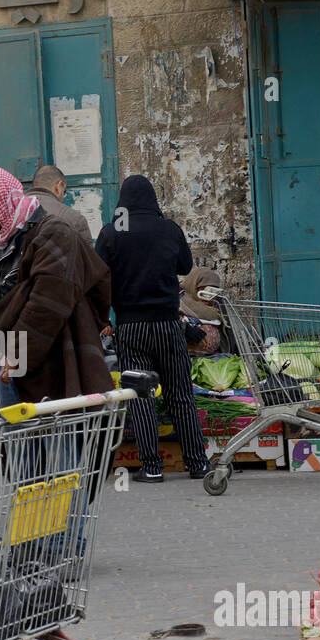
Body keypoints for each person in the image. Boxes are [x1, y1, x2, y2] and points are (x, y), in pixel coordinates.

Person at [0, 166, 111, 410]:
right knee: (18, 444)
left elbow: (48, 299)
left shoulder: (54, 232)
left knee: (58, 442)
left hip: (54, 364)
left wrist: (17, 352)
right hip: (6, 364)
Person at [95, 175, 209, 482]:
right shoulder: (169, 229)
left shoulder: (110, 234)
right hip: (169, 325)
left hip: (131, 328)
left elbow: (98, 279)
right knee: (180, 394)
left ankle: (152, 467)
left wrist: (103, 318)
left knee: (141, 395)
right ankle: (198, 464)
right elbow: (186, 267)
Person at [27, 164, 92, 244]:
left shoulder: (12, 210)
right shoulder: (75, 219)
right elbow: (87, 255)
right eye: (64, 192)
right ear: (59, 187)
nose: (63, 197)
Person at [180, 265, 225, 356]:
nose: (209, 298)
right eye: (204, 292)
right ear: (194, 286)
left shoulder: (217, 306)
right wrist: (187, 330)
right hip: (182, 358)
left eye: (213, 292)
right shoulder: (179, 302)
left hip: (211, 359)